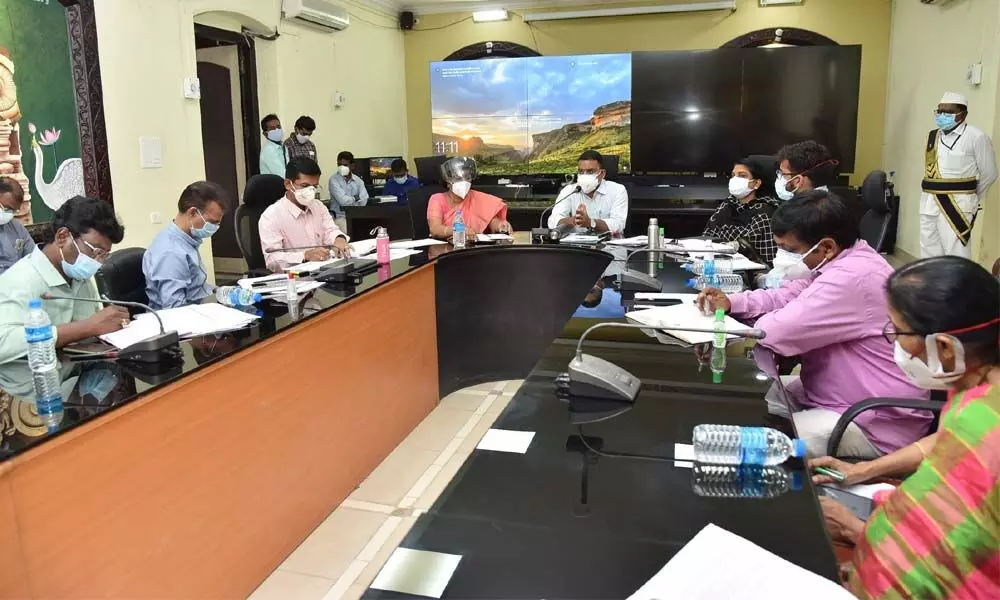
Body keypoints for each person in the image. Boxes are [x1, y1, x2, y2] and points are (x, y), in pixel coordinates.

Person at [812, 256, 1000, 598]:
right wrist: (863, 471)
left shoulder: (986, 421)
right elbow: (947, 444)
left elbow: (959, 548)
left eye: (898, 331)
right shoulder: (976, 387)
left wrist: (858, 532)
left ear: (943, 346)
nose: (895, 344)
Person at [696, 190, 931, 457]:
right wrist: (733, 303)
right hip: (831, 394)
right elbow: (787, 295)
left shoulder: (853, 278)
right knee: (737, 401)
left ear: (827, 246)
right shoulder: (843, 258)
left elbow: (776, 331)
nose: (784, 256)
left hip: (871, 420)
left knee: (738, 445)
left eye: (791, 250)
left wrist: (734, 328)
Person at [0, 196, 128, 365]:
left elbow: (91, 330)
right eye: (95, 251)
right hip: (31, 383)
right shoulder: (19, 279)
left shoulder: (78, 274)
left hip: (76, 373)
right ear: (62, 237)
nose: (98, 262)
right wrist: (86, 327)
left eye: (104, 254)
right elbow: (4, 344)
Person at [920, 92, 997, 259]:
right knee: (928, 254)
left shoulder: (977, 137)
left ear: (963, 114)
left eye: (947, 112)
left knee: (956, 255)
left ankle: (958, 286)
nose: (941, 116)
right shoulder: (932, 136)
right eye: (939, 112)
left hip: (958, 206)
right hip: (929, 204)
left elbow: (989, 173)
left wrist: (974, 198)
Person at [143, 181, 228, 309]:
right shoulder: (171, 252)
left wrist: (222, 291)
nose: (215, 228)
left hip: (197, 309)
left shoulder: (185, 241)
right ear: (193, 213)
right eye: (212, 222)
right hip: (180, 320)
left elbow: (196, 289)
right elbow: (174, 308)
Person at [259, 156, 349, 273]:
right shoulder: (271, 216)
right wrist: (305, 256)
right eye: (305, 186)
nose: (310, 191)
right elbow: (272, 261)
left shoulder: (318, 206)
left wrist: (339, 239)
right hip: (294, 281)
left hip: (325, 273)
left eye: (314, 187)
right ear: (288, 184)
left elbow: (330, 230)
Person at [702, 157, 781, 263]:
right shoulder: (726, 206)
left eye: (742, 176)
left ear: (756, 183)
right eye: (733, 175)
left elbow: (753, 246)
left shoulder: (765, 212)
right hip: (718, 264)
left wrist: (731, 247)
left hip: (752, 271)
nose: (735, 179)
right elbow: (707, 237)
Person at [547, 150, 629, 236]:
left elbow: (618, 224)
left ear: (602, 174)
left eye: (590, 172)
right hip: (576, 246)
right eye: (581, 172)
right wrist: (574, 220)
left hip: (608, 245)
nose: (584, 175)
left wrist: (591, 223)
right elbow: (553, 220)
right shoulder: (570, 190)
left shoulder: (617, 190)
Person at [427, 156, 512, 238]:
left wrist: (500, 225)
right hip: (445, 248)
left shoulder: (477, 197)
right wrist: (460, 230)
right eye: (458, 179)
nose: (464, 182)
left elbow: (491, 220)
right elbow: (435, 229)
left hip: (473, 247)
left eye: (467, 178)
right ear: (448, 183)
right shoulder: (437, 199)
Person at [0, 177, 35, 275]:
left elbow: (33, 257)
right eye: (7, 208)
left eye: (13, 210)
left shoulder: (17, 228)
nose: (10, 214)